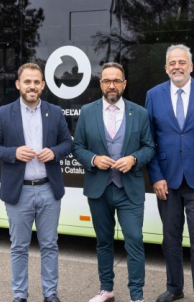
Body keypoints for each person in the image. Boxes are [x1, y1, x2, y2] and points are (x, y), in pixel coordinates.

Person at [0, 62, 72, 302]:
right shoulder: (3, 113)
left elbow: (68, 144)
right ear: (18, 84)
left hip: (48, 190)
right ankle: (20, 295)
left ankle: (50, 294)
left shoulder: (54, 111)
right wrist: (12, 153)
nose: (32, 86)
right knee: (19, 247)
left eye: (36, 82)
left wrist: (54, 152)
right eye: (27, 82)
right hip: (18, 192)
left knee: (50, 246)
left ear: (42, 85)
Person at [145, 45, 194, 302]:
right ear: (166, 68)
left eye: (182, 62)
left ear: (191, 66)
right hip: (166, 181)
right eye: (172, 63)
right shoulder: (153, 95)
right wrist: (156, 176)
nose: (177, 66)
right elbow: (149, 140)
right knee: (170, 240)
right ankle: (174, 288)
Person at [72, 62, 155, 302]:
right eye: (107, 81)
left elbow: (150, 147)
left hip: (129, 190)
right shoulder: (87, 112)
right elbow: (78, 147)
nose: (111, 85)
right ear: (100, 84)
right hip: (99, 189)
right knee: (103, 242)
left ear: (124, 84)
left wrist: (134, 158)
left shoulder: (139, 113)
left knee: (135, 241)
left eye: (116, 81)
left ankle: (136, 296)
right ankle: (106, 289)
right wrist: (94, 159)